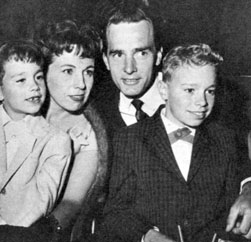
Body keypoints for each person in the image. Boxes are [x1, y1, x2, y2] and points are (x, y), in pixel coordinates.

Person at [96, 43, 251, 242]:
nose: (202, 102)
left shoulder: (223, 139)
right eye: (189, 90)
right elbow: (115, 213)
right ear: (163, 89)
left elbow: (233, 205)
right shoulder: (129, 140)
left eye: (210, 91)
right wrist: (148, 236)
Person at [0, 40, 71, 242]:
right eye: (21, 80)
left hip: (20, 236)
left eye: (38, 77)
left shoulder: (56, 141)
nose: (34, 87)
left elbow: (36, 207)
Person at [38, 20, 108, 241]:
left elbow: (71, 205)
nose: (81, 84)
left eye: (88, 72)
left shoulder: (88, 134)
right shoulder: (12, 111)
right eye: (68, 71)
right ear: (42, 72)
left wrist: (32, 234)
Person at [93, 2, 165, 140]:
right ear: (106, 60)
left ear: (158, 56)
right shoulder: (96, 115)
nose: (129, 68)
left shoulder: (189, 102)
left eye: (141, 53)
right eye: (118, 55)